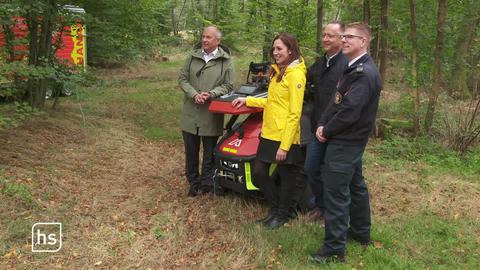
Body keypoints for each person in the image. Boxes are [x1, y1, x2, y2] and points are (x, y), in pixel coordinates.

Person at [310, 22, 382, 263]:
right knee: (355, 186)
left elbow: (350, 112)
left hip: (346, 142)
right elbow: (336, 101)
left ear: (364, 42)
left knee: (336, 194)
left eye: (350, 37)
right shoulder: (351, 68)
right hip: (345, 140)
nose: (344, 40)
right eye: (344, 36)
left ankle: (333, 251)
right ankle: (361, 233)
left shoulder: (364, 73)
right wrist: (322, 122)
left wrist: (327, 130)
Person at [232, 33, 307, 230]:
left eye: (279, 49)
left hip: (286, 135)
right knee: (259, 173)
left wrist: (285, 145)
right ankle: (276, 208)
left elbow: (294, 113)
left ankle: (282, 214)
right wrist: (248, 100)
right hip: (269, 132)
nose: (275, 53)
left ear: (290, 50)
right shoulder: (278, 72)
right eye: (274, 49)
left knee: (287, 178)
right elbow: (272, 102)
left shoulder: (296, 74)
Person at [178, 26, 234, 197]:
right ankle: (193, 183)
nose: (204, 40)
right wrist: (194, 94)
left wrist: (211, 94)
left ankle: (207, 183)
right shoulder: (192, 56)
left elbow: (228, 85)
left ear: (218, 41)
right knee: (191, 151)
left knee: (209, 151)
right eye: (203, 36)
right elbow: (182, 79)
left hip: (211, 114)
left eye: (209, 37)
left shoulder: (226, 61)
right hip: (191, 113)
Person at [303, 21, 348, 223]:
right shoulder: (321, 63)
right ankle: (320, 205)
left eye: (330, 36)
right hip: (316, 126)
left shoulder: (346, 65)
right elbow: (304, 80)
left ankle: (334, 211)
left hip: (338, 130)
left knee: (334, 173)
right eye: (324, 35)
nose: (325, 39)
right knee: (312, 168)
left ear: (341, 39)